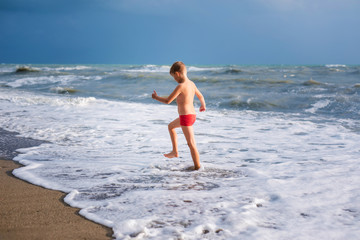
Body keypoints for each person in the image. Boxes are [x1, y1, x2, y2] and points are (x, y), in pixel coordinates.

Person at [152, 61, 206, 170]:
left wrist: (156, 97)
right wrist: (202, 105)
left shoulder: (180, 86)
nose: (175, 80)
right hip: (191, 116)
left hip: (186, 117)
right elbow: (201, 96)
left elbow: (168, 100)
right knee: (171, 126)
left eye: (174, 77)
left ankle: (198, 168)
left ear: (177, 74)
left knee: (191, 144)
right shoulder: (191, 84)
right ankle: (175, 151)